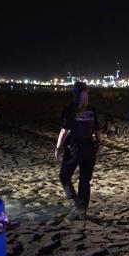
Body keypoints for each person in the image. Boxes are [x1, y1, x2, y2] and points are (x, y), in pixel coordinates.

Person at [54, 82, 101, 220]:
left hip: (75, 148)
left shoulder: (70, 108)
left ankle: (76, 205)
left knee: (64, 176)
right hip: (89, 148)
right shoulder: (92, 109)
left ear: (74, 94)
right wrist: (97, 145)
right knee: (85, 180)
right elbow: (97, 131)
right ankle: (82, 211)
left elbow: (64, 131)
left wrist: (58, 147)